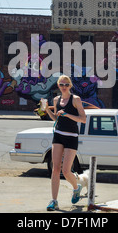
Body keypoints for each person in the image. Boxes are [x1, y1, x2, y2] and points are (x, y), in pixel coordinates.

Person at [43, 75, 86, 211]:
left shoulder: (76, 99)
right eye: (61, 84)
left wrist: (67, 114)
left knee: (66, 171)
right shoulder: (56, 99)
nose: (64, 87)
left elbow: (83, 119)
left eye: (66, 84)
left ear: (70, 86)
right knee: (55, 169)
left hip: (72, 137)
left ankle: (76, 187)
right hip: (59, 135)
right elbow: (56, 118)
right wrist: (47, 110)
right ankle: (54, 201)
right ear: (58, 86)